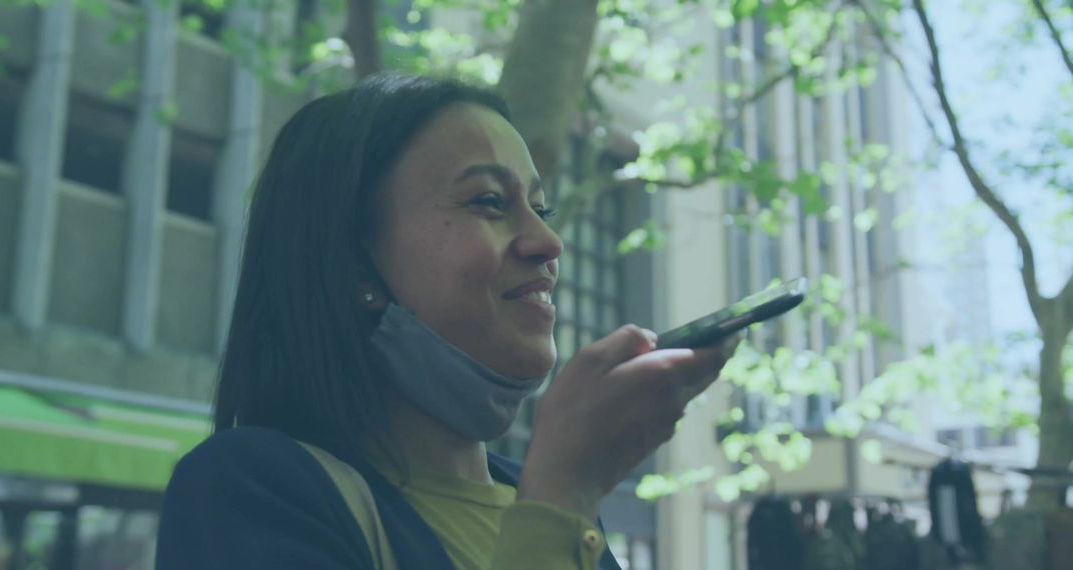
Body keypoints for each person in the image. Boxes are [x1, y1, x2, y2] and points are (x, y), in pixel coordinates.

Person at [155, 73, 740, 570]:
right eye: (489, 202)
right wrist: (561, 493)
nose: (548, 241)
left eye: (541, 209)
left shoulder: (538, 499)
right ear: (352, 261)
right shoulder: (248, 487)